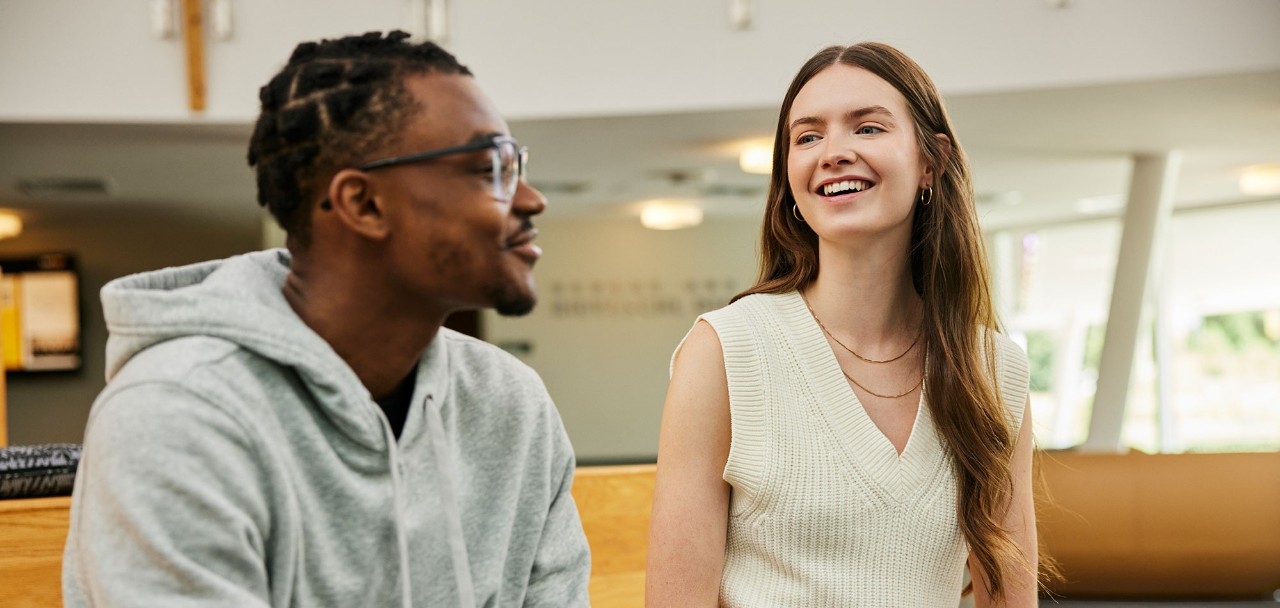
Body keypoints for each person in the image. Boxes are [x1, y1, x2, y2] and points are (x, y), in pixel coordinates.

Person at [63, 30, 590, 607]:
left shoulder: (509, 401)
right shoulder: (177, 415)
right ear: (363, 203)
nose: (531, 199)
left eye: (517, 164)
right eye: (489, 167)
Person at [647, 42, 1043, 607]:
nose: (832, 152)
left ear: (931, 162)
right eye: (808, 137)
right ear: (789, 179)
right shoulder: (726, 350)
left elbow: (1009, 596)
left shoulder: (994, 369)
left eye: (868, 128)